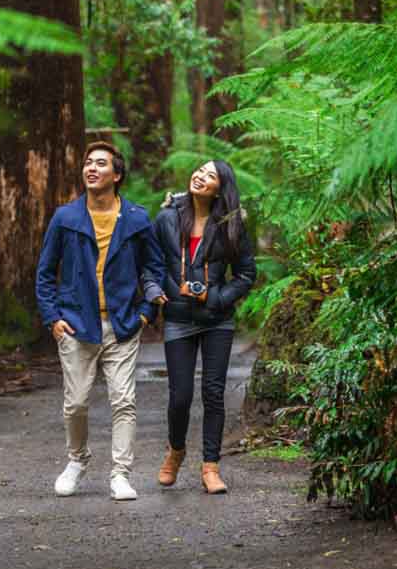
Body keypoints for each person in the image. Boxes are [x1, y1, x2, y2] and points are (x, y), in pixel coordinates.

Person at [35, 141, 165, 501]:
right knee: (75, 403)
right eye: (88, 163)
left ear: (117, 175)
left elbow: (154, 268)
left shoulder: (137, 219)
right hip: (77, 325)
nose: (91, 168)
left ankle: (121, 473)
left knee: (124, 401)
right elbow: (45, 272)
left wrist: (145, 313)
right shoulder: (66, 218)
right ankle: (77, 460)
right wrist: (53, 319)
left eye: (101, 164)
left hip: (123, 325)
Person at [152, 160, 257, 494]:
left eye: (210, 175)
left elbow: (245, 275)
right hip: (179, 319)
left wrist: (216, 298)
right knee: (180, 396)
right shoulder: (167, 217)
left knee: (213, 393)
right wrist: (170, 291)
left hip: (217, 321)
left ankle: (211, 467)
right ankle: (176, 451)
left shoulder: (231, 224)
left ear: (220, 187)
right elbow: (153, 264)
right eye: (199, 170)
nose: (200, 176)